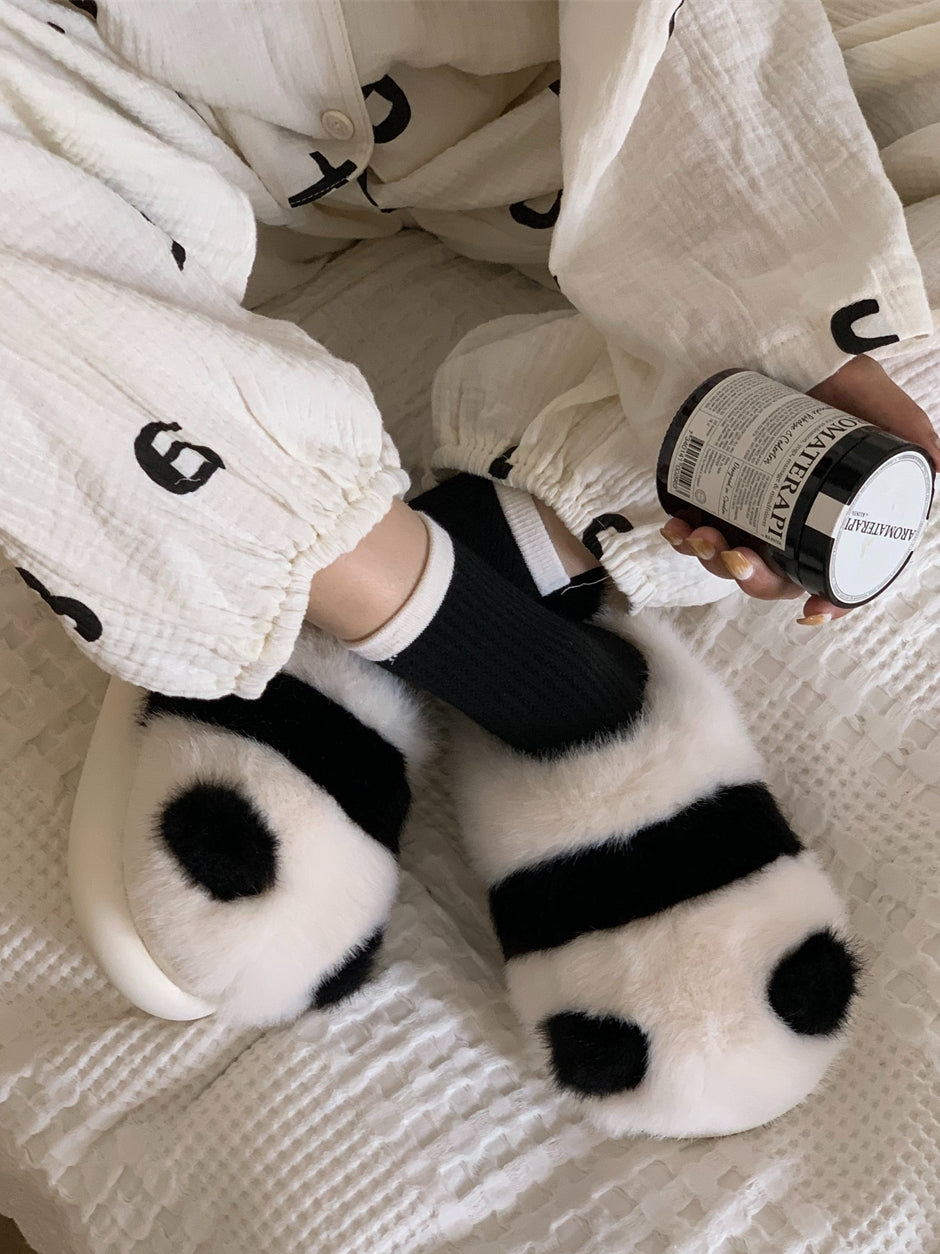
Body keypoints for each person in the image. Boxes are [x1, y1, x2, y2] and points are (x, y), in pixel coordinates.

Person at [3, 0, 937, 1136]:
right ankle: (502, 655)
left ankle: (400, 577)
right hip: (129, 115)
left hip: (543, 99)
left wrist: (790, 324)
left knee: (872, 308)